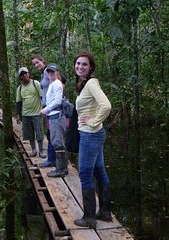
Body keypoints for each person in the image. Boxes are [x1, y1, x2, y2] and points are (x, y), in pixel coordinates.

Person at [73, 52, 113, 228]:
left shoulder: (91, 83)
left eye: (84, 64)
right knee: (99, 171)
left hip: (90, 135)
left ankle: (89, 218)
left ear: (91, 68)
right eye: (78, 64)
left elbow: (106, 105)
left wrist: (93, 121)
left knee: (85, 175)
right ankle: (104, 213)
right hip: (95, 134)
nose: (80, 67)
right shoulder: (84, 84)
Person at [40, 64, 68, 177]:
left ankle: (61, 170)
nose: (50, 74)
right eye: (48, 72)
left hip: (56, 116)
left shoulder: (57, 84)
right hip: (52, 116)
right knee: (56, 141)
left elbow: (57, 101)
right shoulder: (52, 84)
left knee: (58, 143)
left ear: (56, 72)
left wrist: (45, 110)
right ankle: (62, 167)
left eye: (52, 72)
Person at [31, 55, 56, 167]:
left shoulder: (48, 71)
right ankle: (51, 159)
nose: (36, 65)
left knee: (53, 134)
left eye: (37, 62)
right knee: (50, 133)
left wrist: (57, 96)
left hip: (53, 107)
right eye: (34, 64)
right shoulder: (43, 73)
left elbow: (62, 80)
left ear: (42, 61)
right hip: (47, 108)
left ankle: (53, 161)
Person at [16, 67, 46, 158]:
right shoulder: (20, 88)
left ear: (28, 74)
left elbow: (42, 97)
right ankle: (33, 150)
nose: (24, 76)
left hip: (36, 114)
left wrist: (42, 109)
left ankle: (41, 151)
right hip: (25, 114)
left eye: (25, 73)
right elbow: (18, 102)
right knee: (29, 134)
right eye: (22, 75)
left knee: (39, 133)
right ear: (20, 77)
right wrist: (18, 115)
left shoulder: (35, 83)